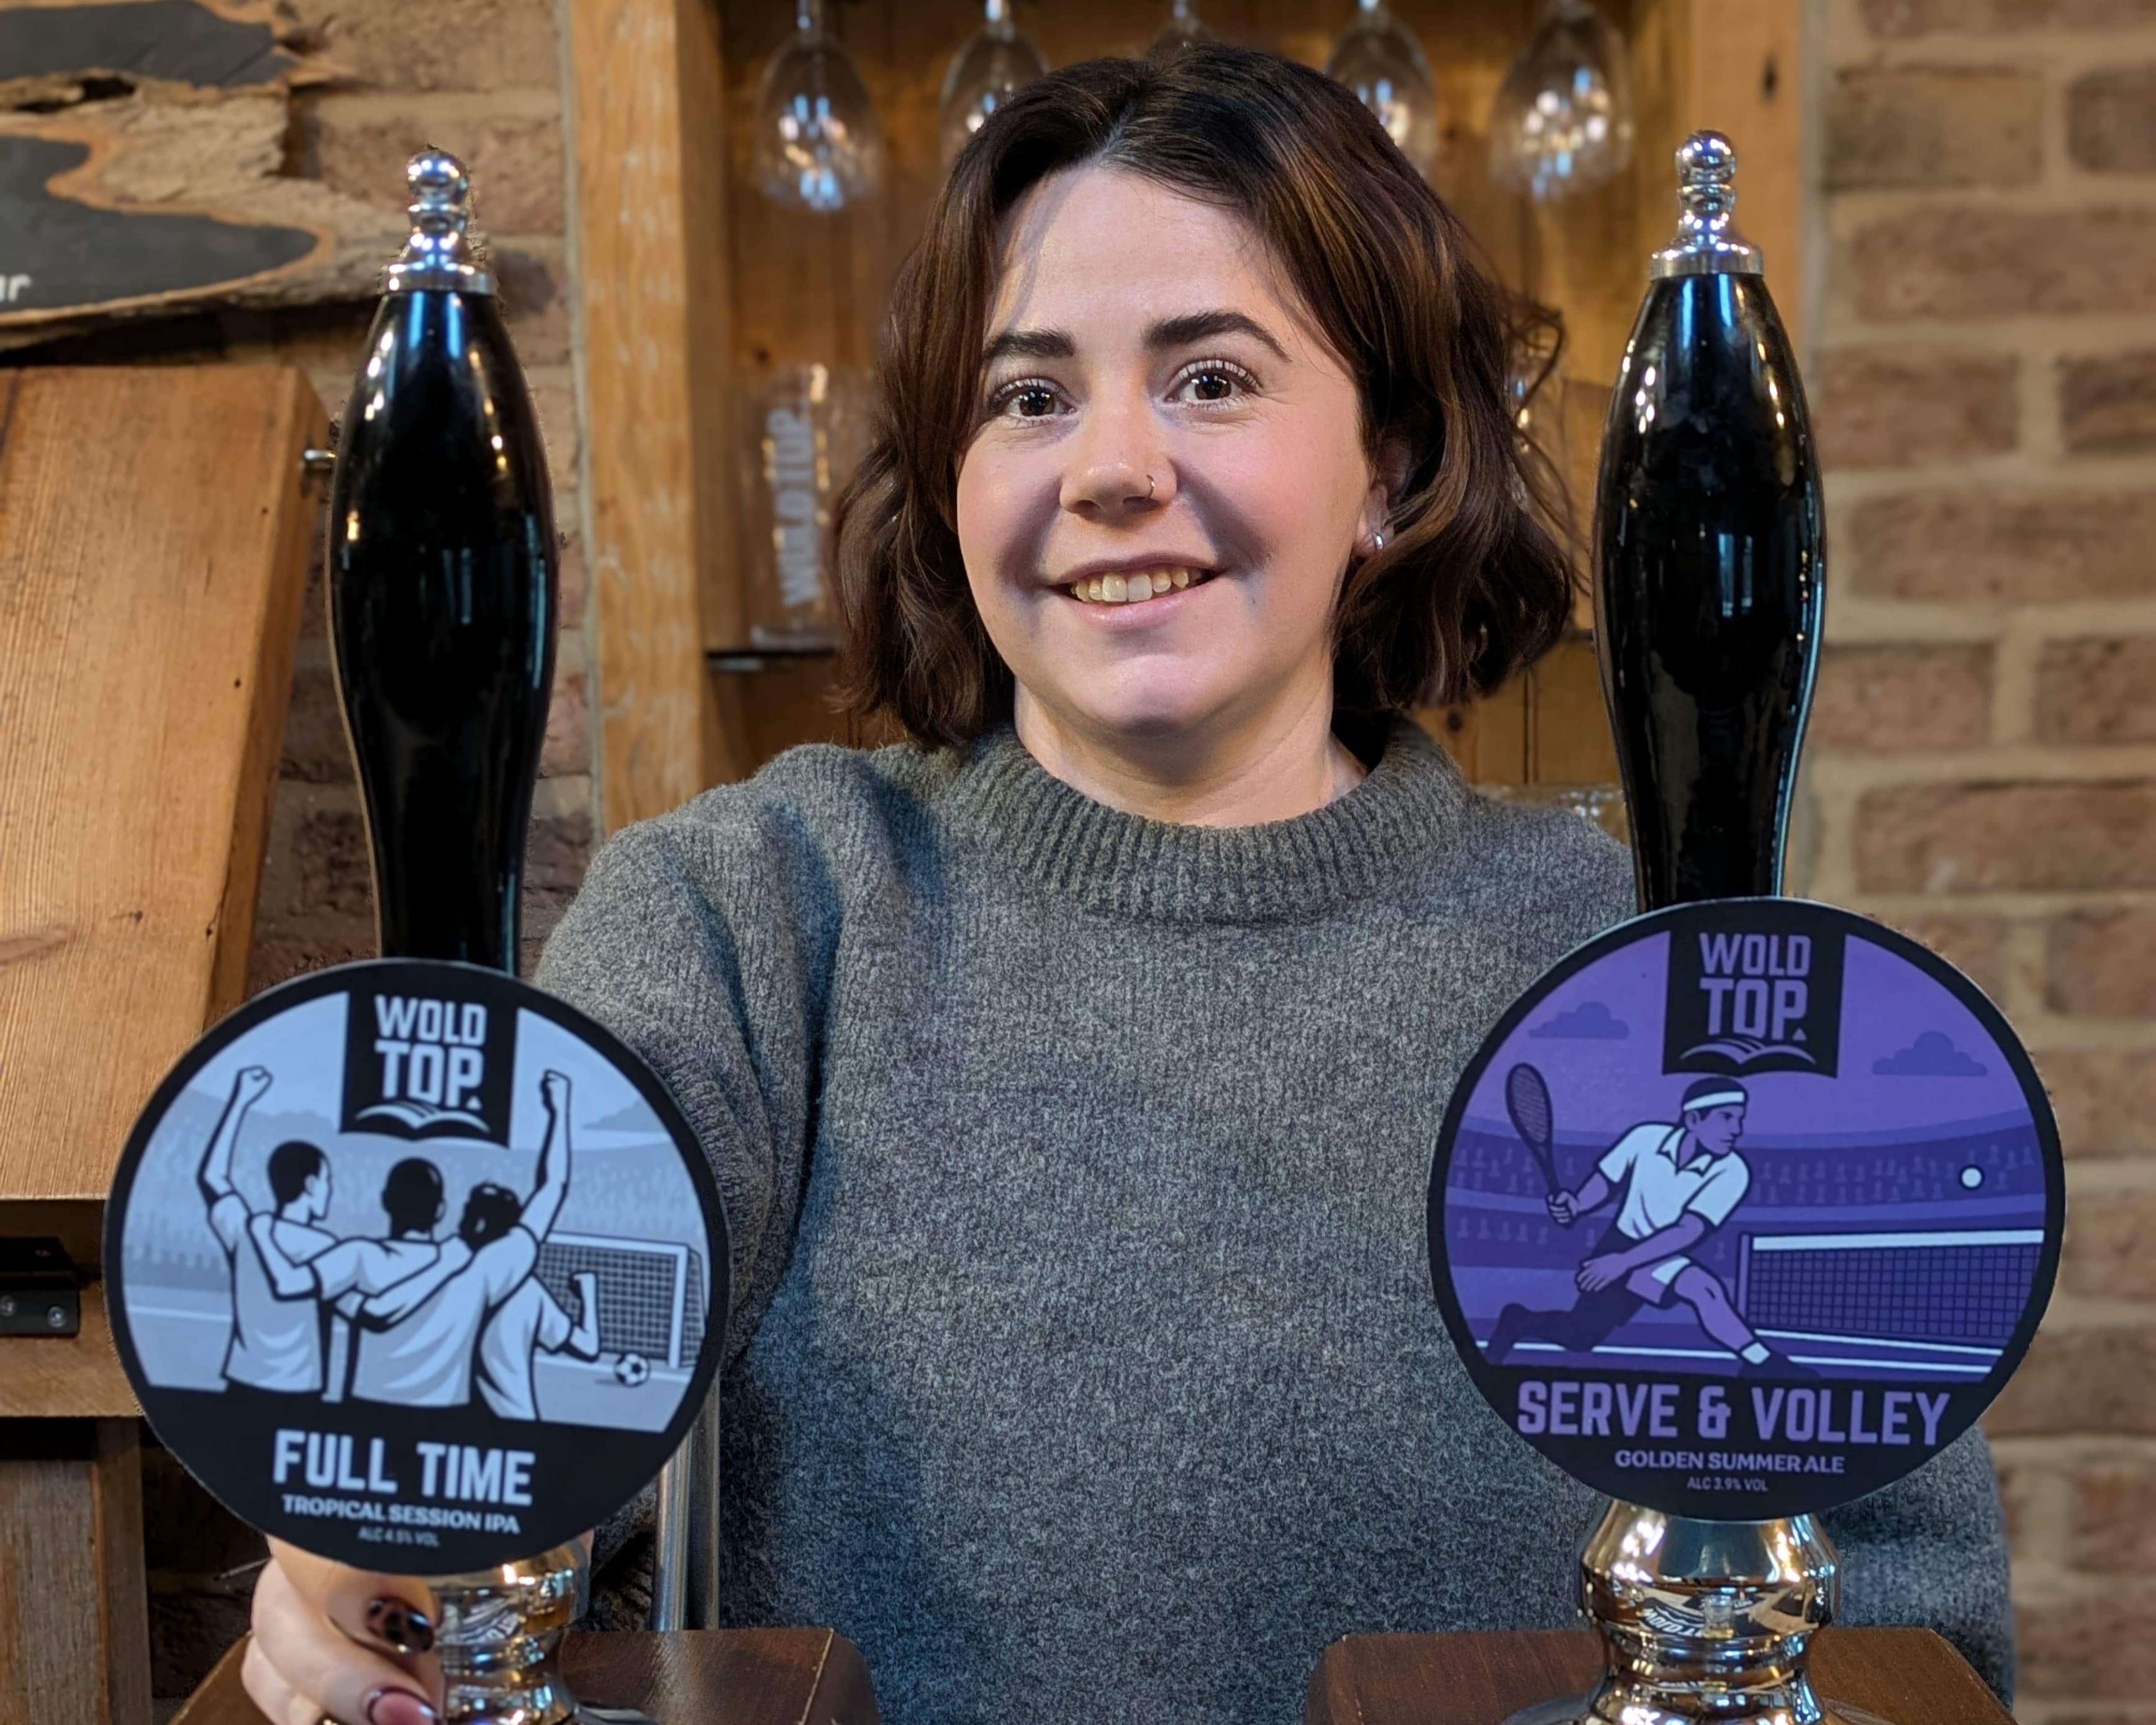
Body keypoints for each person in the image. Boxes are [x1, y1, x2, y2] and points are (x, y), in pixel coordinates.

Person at [241, 44, 2015, 1725]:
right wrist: (372, 1562)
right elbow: (511, 1437)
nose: (1110, 471)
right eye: (1027, 396)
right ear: (951, 485)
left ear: (1390, 462)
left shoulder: (1636, 977)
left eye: (1214, 376)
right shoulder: (751, 919)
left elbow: (1917, 1635)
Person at [255, 1072, 576, 1411]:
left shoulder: (359, 1256)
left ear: (386, 1201)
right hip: (445, 1422)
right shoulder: (479, 1268)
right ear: (440, 1211)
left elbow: (289, 1285)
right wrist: (561, 1109)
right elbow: (553, 1189)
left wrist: (260, 1231)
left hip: (365, 1415)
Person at [1487, 1076, 1808, 1377]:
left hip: (1662, 1252)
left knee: (1704, 1288)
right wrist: (1577, 1204)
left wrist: (1623, 1264)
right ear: (1693, 1120)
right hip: (1620, 1244)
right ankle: (1519, 1321)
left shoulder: (1734, 1171)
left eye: (1740, 1119)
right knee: (1580, 1337)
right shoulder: (1645, 1138)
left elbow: (1688, 1231)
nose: (1737, 1129)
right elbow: (1606, 1181)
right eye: (1727, 1118)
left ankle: (1762, 1363)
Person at [196, 1064, 337, 1401]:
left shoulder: (246, 1229)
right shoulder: (324, 1247)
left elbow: (214, 1177)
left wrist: (240, 1100)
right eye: (328, 1182)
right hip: (296, 1391)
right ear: (312, 1183)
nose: (331, 1191)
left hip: (240, 1383)